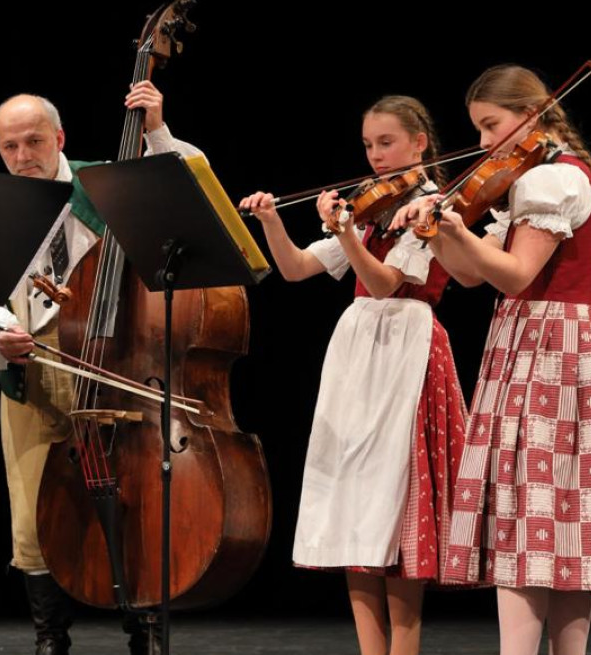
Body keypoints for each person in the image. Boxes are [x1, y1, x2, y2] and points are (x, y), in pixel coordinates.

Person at [392, 64, 591, 655]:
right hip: (533, 343)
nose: (484, 143)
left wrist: (453, 223)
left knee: (542, 504)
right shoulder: (529, 182)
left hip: (552, 347)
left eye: (492, 126)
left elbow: (515, 276)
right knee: (547, 503)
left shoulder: (552, 182)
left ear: (532, 115)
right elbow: (467, 273)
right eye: (479, 130)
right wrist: (441, 232)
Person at [0, 81, 202, 655]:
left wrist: (157, 129)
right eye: (8, 147)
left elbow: (187, 191)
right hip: (33, 371)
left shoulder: (102, 184)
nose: (21, 156)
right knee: (33, 510)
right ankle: (49, 638)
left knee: (135, 503)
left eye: (32, 141)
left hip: (115, 359)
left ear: (58, 137)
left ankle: (146, 629)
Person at [239, 95, 468, 655]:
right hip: (360, 352)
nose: (376, 156)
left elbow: (389, 282)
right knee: (355, 498)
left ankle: (404, 649)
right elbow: (293, 269)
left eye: (386, 142)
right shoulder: (371, 211)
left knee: (398, 495)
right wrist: (272, 221)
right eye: (368, 145)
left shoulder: (434, 206)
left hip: (408, 348)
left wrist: (345, 233)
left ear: (419, 142)